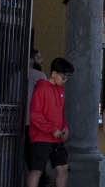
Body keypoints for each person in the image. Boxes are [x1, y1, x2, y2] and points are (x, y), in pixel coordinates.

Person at [27, 57, 72, 187]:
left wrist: (65, 127)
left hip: (57, 139)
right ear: (53, 74)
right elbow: (35, 115)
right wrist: (52, 129)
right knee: (37, 171)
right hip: (41, 138)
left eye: (67, 77)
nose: (65, 80)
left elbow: (62, 113)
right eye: (63, 77)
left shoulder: (61, 90)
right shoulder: (41, 88)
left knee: (63, 168)